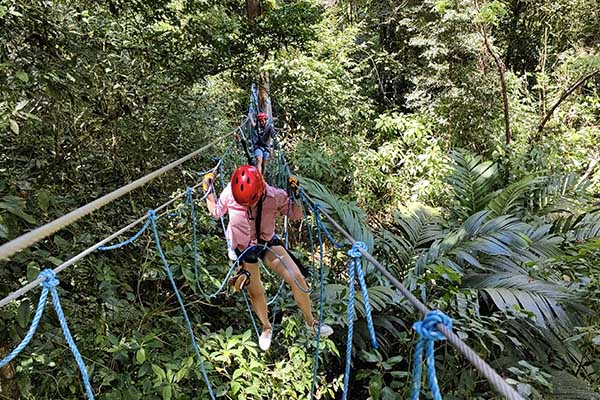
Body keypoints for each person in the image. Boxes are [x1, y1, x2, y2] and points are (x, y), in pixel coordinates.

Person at [203, 165, 333, 351]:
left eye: (250, 203)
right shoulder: (230, 193)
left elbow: (296, 214)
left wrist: (297, 196)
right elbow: (216, 212)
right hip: (243, 248)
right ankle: (266, 328)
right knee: (256, 291)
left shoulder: (275, 196)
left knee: (297, 278)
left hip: (266, 242)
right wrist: (208, 190)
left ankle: (311, 323)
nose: (247, 206)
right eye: (243, 203)